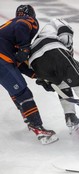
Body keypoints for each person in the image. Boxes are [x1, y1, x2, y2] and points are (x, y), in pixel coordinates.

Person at [0, 5, 58, 145]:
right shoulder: (25, 21)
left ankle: (28, 117)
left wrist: (37, 75)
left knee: (16, 91)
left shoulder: (9, 32)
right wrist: (25, 47)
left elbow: (18, 63)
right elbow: (22, 24)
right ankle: (37, 128)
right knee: (23, 93)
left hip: (4, 61)